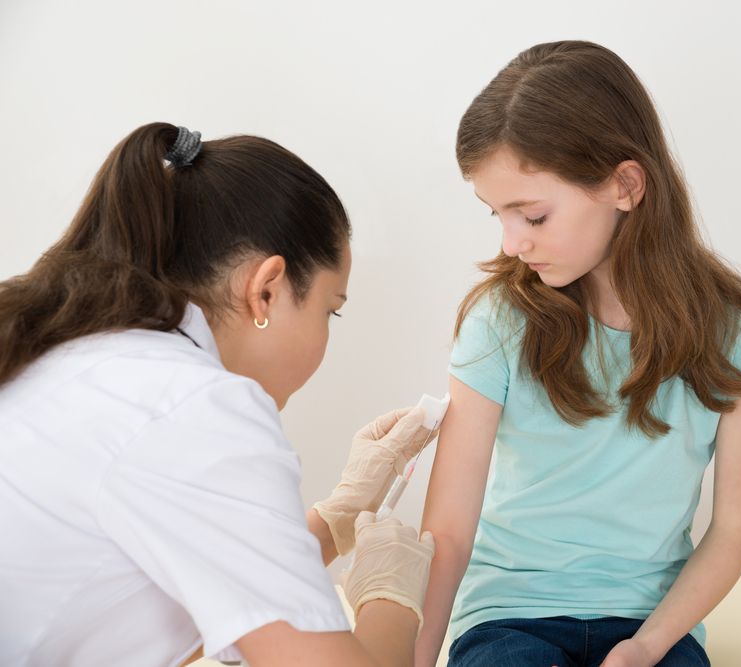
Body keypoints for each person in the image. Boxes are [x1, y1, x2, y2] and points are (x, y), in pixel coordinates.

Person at [416, 41, 741, 667]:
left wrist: (648, 646)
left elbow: (733, 531)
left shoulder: (740, 340)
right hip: (510, 617)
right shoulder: (500, 322)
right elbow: (449, 530)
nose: (513, 243)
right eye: (498, 216)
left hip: (653, 623)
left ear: (625, 185)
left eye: (533, 216)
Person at [0, 123, 434, 667]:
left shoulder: (85, 355)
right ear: (267, 289)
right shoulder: (193, 405)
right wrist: (390, 599)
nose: (328, 334)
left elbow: (199, 586)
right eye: (331, 309)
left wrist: (340, 516)